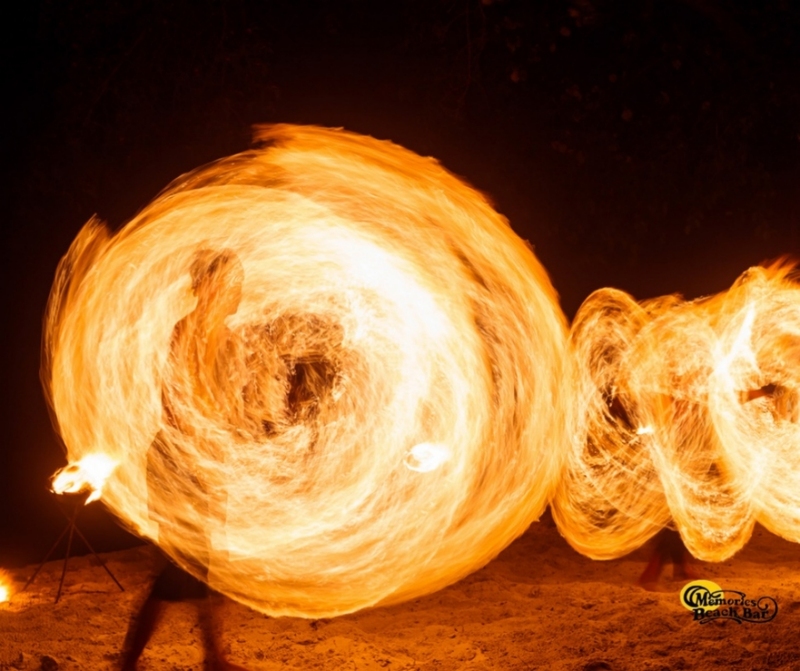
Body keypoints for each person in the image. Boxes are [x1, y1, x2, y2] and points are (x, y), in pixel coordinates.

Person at [121, 249, 249, 671]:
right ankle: (129, 661)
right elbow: (174, 406)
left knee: (201, 566)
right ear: (208, 286)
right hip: (174, 463)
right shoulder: (186, 330)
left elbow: (227, 407)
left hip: (198, 462)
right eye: (231, 280)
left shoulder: (230, 341)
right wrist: (201, 450)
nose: (239, 289)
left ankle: (213, 655)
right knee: (181, 571)